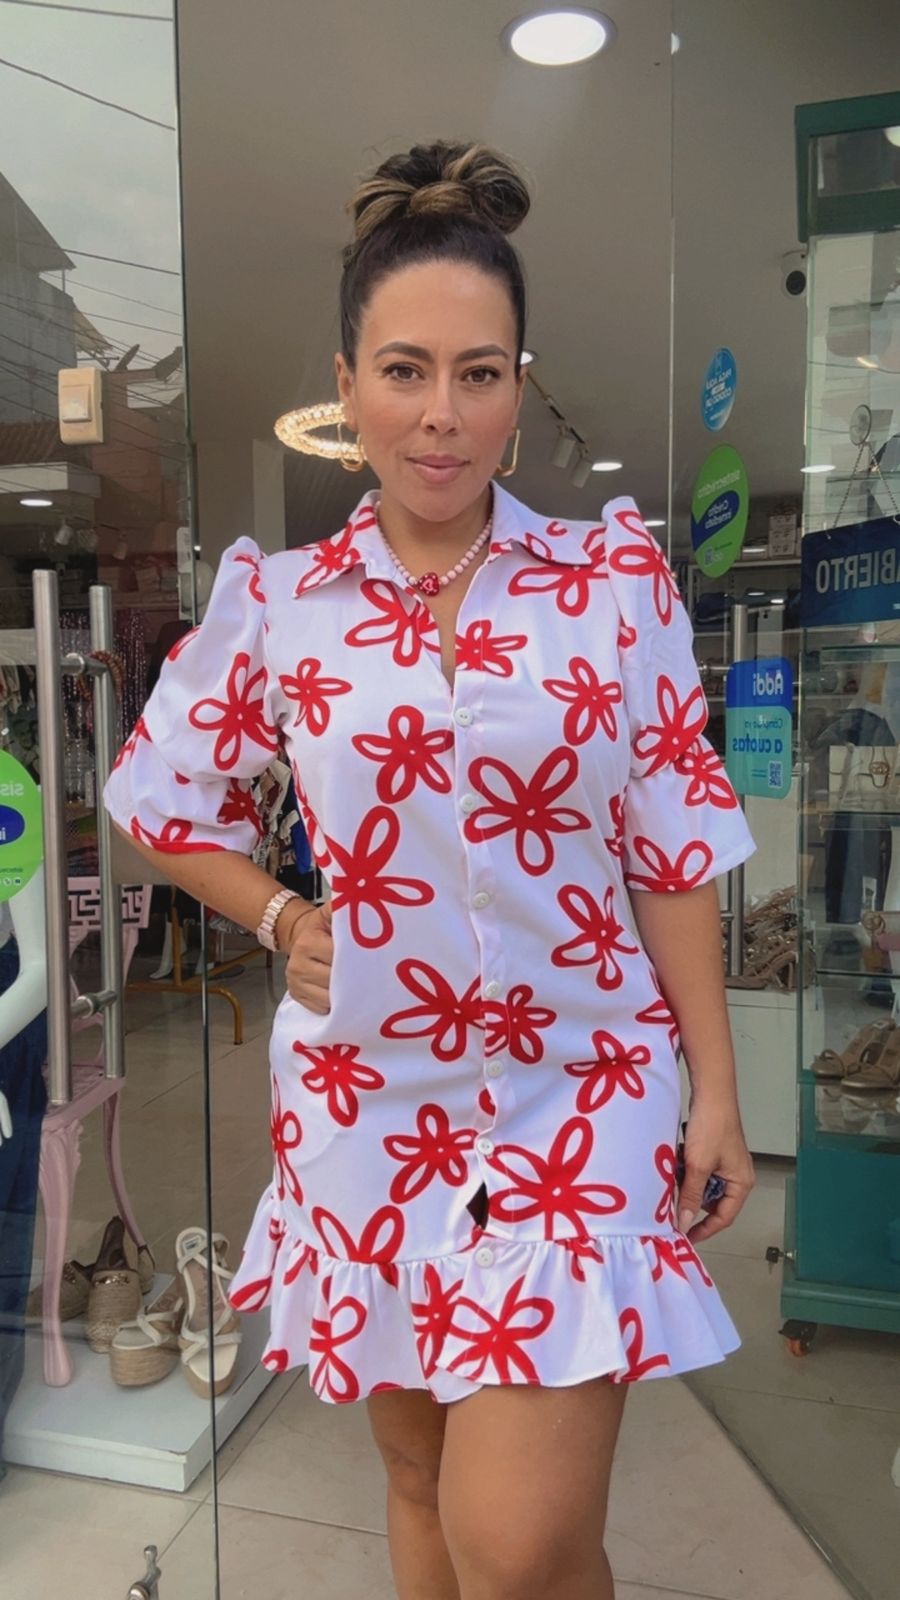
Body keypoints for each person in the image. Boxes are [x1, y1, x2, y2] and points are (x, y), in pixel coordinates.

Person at [106, 140, 756, 1600]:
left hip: (581, 1090)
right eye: (405, 371)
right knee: (414, 1478)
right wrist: (280, 913)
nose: (442, 413)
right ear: (348, 385)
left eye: (479, 372)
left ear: (521, 388)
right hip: (366, 1102)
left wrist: (714, 1088)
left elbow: (672, 845)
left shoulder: (611, 585)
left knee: (517, 1544)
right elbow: (156, 798)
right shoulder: (283, 605)